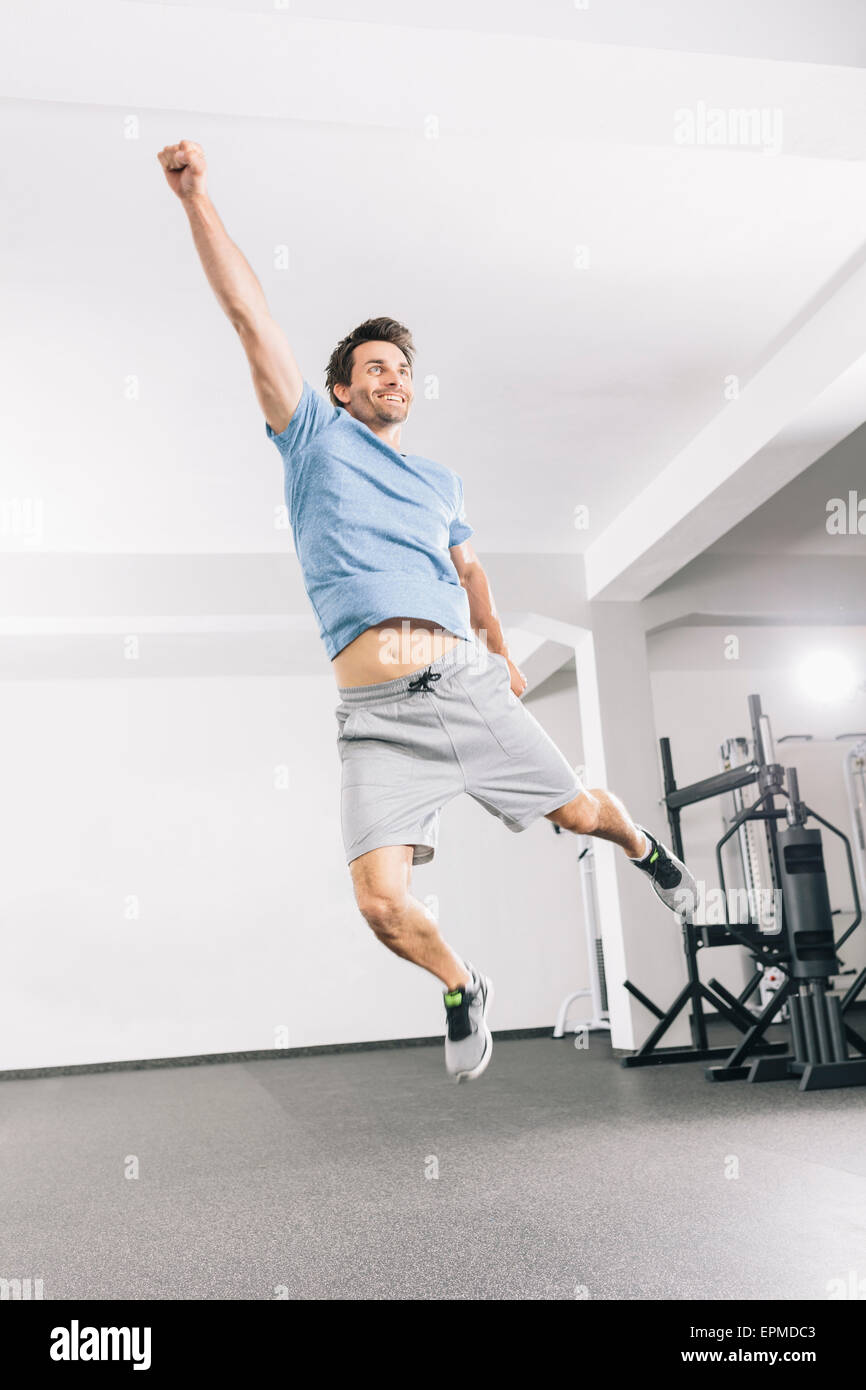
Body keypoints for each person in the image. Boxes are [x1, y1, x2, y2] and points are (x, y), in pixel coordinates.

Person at [158, 139, 697, 1083]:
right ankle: (460, 983)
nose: (390, 375)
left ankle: (647, 848)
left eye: (401, 367)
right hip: (373, 719)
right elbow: (250, 315)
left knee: (580, 812)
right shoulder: (313, 439)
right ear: (339, 386)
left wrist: (497, 643)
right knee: (379, 904)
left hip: (464, 685)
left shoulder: (442, 479)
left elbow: (473, 571)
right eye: (372, 365)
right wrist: (197, 198)